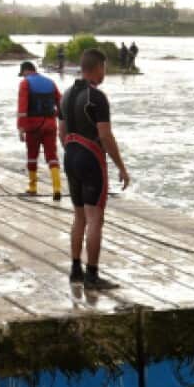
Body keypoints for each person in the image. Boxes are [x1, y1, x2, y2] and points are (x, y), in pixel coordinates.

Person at [60, 48, 130, 290]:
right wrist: (121, 166)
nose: (105, 73)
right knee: (95, 219)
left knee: (79, 216)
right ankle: (92, 275)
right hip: (90, 158)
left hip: (70, 156)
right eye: (105, 68)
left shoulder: (66, 95)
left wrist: (72, 152)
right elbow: (105, 135)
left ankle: (75, 269)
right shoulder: (96, 97)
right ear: (98, 67)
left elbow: (62, 131)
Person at [17, 61, 63, 199]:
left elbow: (22, 108)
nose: (23, 77)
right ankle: (57, 188)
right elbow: (60, 103)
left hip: (33, 126)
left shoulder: (25, 83)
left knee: (32, 156)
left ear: (25, 71)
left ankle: (32, 188)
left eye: (23, 74)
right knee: (52, 156)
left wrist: (21, 128)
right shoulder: (50, 82)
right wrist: (57, 117)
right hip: (50, 125)